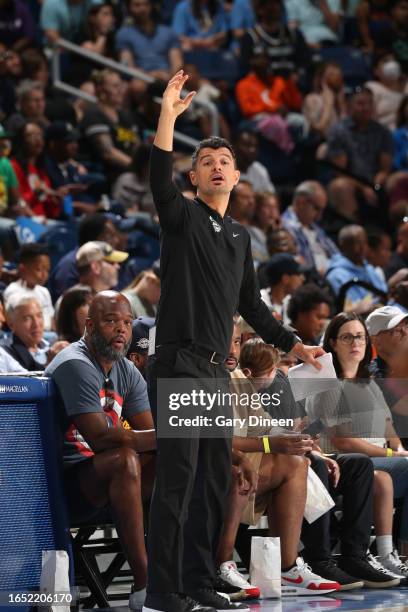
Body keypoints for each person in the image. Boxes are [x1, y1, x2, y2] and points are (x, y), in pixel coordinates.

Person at [144, 70, 324, 612]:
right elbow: (158, 180)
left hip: (214, 371)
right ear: (194, 178)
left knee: (211, 485)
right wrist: (169, 116)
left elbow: (251, 306)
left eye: (224, 161)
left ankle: (199, 581)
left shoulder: (241, 236)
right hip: (177, 364)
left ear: (238, 175)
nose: (216, 166)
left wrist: (297, 346)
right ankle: (162, 591)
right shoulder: (181, 217)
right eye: (205, 162)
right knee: (176, 483)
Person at [238, 337, 400, 590]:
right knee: (309, 464)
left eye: (360, 336)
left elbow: (283, 429)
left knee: (358, 466)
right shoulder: (236, 387)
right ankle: (319, 558)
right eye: (348, 337)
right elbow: (249, 439)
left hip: (292, 452)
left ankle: (354, 556)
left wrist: (317, 452)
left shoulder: (278, 385)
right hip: (265, 460)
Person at [45, 291, 157, 610]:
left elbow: (147, 433)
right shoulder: (75, 364)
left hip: (111, 484)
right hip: (66, 486)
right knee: (123, 459)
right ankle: (144, 585)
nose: (122, 330)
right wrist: (173, 436)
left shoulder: (126, 370)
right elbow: (101, 439)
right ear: (90, 327)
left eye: (126, 322)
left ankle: (182, 574)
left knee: (175, 461)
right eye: (111, 322)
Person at [218, 328, 342, 595]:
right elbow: (215, 440)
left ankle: (287, 568)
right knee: (238, 470)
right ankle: (222, 564)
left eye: (237, 341)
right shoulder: (198, 378)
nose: (231, 349)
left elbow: (265, 426)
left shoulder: (238, 378)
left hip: (239, 460)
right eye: (224, 338)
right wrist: (268, 443)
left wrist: (305, 446)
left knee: (297, 462)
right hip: (207, 465)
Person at [308, 311, 408, 577]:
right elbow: (343, 441)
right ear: (332, 342)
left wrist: (399, 449)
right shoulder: (329, 384)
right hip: (345, 461)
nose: (355, 343)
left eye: (360, 337)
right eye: (347, 337)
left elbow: (389, 427)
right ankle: (389, 553)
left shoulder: (369, 383)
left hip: (381, 458)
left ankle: (394, 553)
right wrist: (392, 453)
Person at [326, 87, 394, 222]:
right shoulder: (338, 131)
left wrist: (378, 181)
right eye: (361, 104)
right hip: (351, 182)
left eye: (370, 103)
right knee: (339, 186)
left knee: (400, 180)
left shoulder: (382, 132)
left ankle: (401, 227)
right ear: (349, 106)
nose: (366, 108)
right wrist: (364, 188)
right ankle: (354, 232)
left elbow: (384, 169)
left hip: (375, 181)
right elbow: (339, 171)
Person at [325, 224, 388, 310]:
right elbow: (351, 309)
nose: (362, 247)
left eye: (364, 242)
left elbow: (385, 294)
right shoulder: (336, 275)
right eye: (357, 243)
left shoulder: (369, 268)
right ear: (343, 246)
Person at [282, 181, 339, 275]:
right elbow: (296, 264)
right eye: (316, 208)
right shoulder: (285, 227)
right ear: (300, 202)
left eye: (322, 210)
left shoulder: (316, 228)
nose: (319, 216)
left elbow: (337, 255)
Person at [116, 0, 182, 80]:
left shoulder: (168, 32)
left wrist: (169, 78)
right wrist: (151, 75)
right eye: (137, 5)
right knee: (137, 86)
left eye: (146, 4)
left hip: (168, 78)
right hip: (141, 79)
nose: (143, 9)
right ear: (129, 8)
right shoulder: (124, 34)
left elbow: (177, 63)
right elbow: (127, 66)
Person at [3, 295, 68, 371]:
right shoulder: (6, 355)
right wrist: (50, 365)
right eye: (27, 318)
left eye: (39, 316)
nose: (36, 324)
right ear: (11, 325)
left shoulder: (52, 347)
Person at [3, 243, 54, 330]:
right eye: (39, 269)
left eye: (47, 270)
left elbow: (52, 320)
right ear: (23, 268)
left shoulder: (44, 291)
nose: (44, 274)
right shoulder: (13, 291)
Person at [260, 253, 306, 319]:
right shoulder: (261, 301)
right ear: (285, 279)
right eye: (298, 274)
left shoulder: (290, 303)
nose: (303, 278)